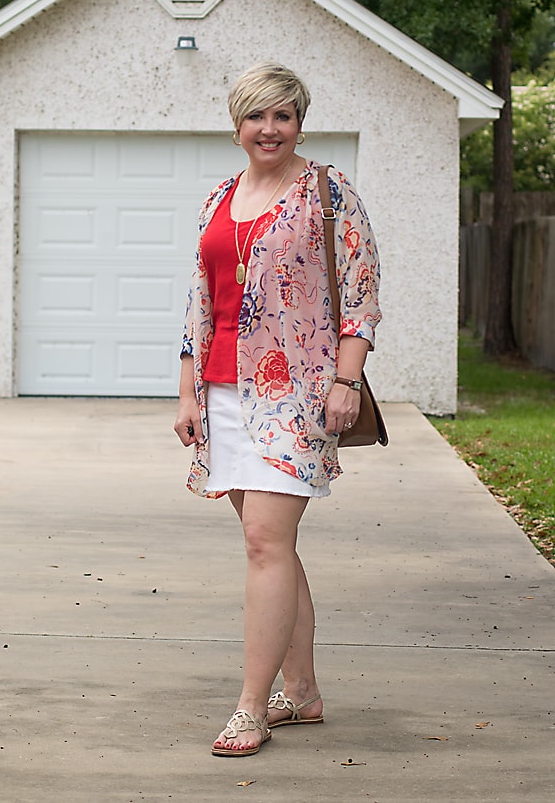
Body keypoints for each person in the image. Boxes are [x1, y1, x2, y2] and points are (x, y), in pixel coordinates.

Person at [174, 62, 381, 757]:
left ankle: (251, 709)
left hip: (297, 394)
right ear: (237, 124)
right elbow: (199, 303)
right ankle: (306, 692)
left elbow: (361, 294)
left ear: (300, 121)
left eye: (283, 115)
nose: (270, 128)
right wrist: (187, 393)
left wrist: (347, 382)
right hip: (224, 391)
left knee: (266, 542)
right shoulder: (218, 197)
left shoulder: (327, 192)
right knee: (272, 547)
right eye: (257, 116)